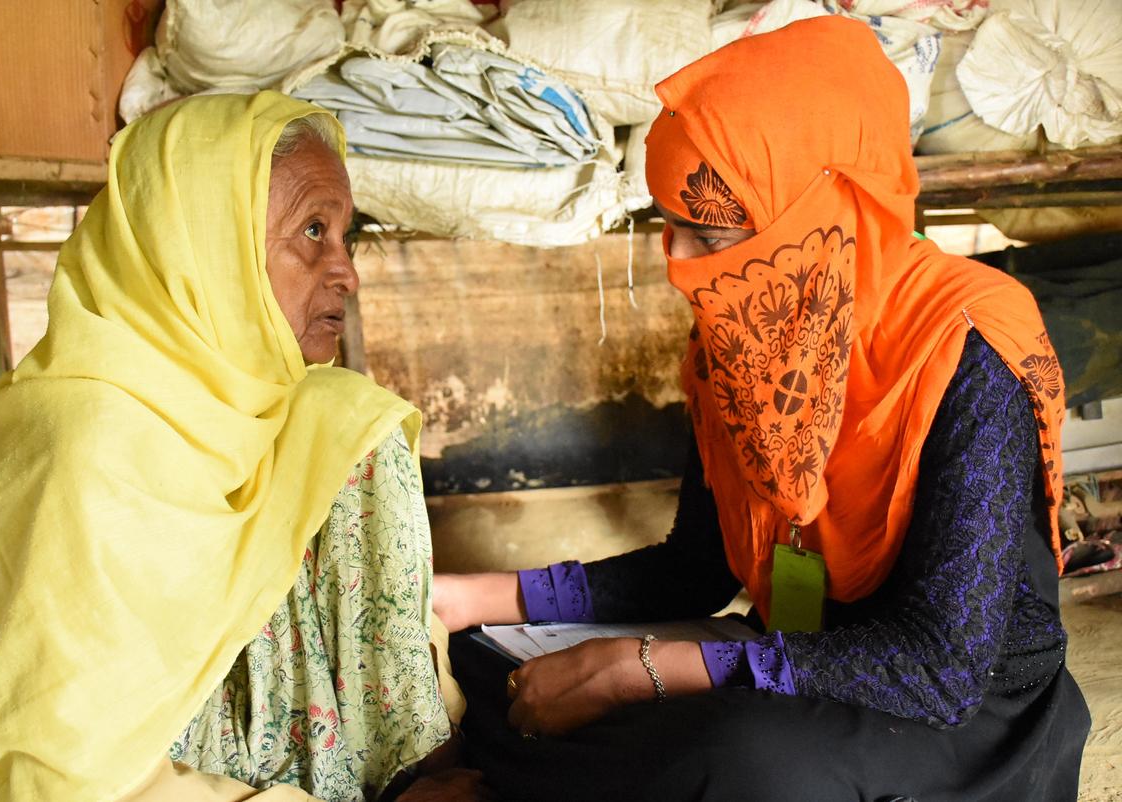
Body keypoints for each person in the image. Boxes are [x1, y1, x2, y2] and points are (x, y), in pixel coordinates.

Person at [434, 16, 1091, 802]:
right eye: (667, 227)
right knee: (493, 662)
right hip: (803, 660)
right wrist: (477, 597)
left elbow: (941, 669)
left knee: (739, 761)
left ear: (823, 218)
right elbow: (695, 569)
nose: (675, 262)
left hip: (963, 712)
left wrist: (649, 671)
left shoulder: (966, 342)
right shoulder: (748, 338)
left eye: (706, 233)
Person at [0, 92, 482, 802]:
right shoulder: (85, 455)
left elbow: (389, 623)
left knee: (351, 420)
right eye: (312, 230)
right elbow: (57, 780)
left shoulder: (296, 418)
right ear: (207, 246)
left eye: (348, 236)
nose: (347, 271)